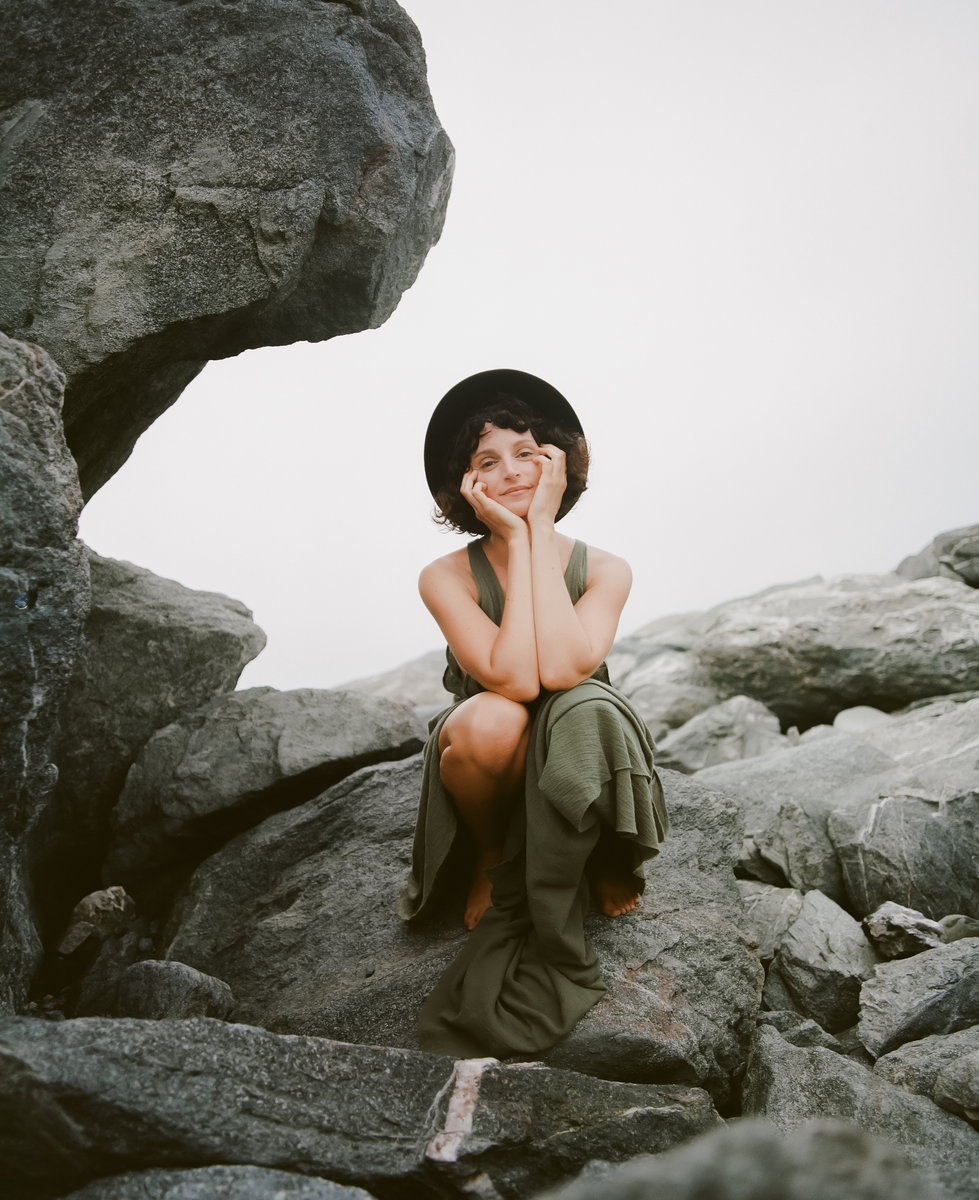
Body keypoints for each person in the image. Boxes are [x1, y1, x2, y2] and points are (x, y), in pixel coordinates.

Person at [399, 369, 668, 1059]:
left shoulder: (606, 568)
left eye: (525, 452)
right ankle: (493, 857)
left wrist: (539, 529)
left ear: (556, 462)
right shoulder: (444, 576)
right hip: (500, 742)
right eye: (486, 461)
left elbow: (565, 670)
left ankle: (606, 852)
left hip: (579, 733)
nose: (511, 471)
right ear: (467, 484)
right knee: (491, 719)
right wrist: (517, 544)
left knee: (585, 706)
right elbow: (516, 681)